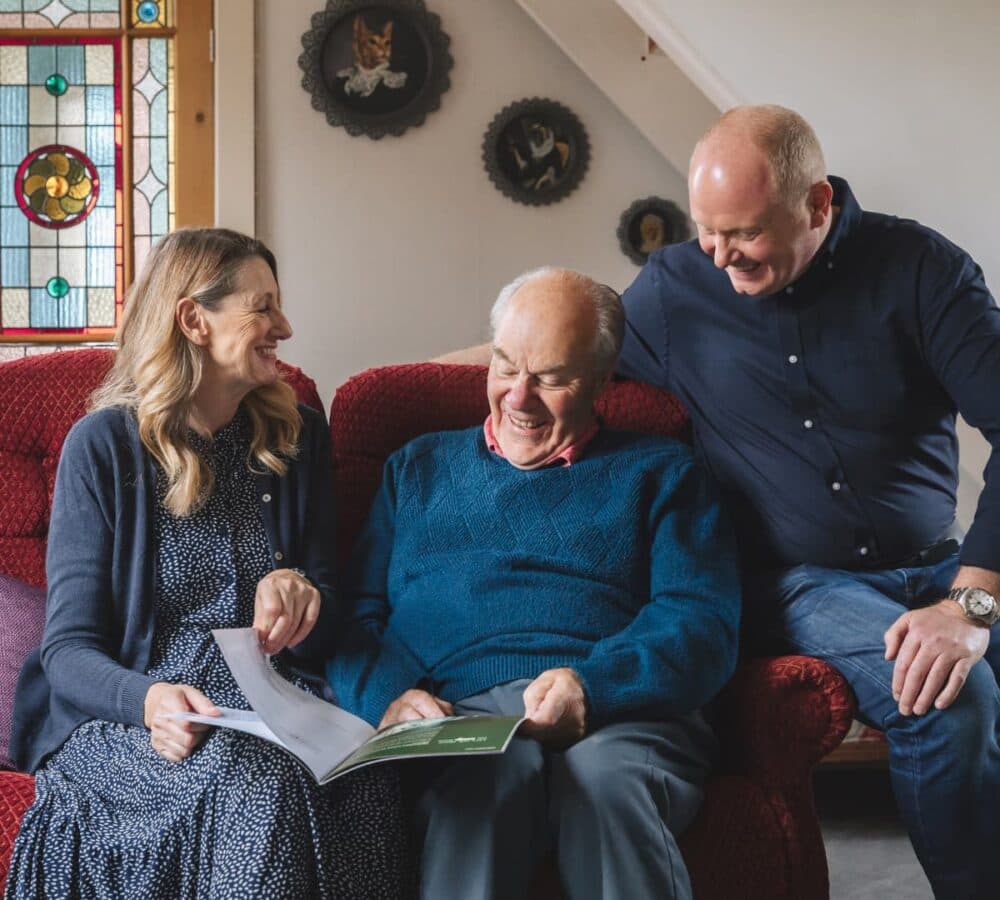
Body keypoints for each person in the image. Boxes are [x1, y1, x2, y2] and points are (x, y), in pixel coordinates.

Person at [615, 105, 1000, 899]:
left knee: (959, 665)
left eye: (746, 234)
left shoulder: (922, 270)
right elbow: (558, 346)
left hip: (943, 567)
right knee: (948, 699)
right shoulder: (675, 290)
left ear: (818, 204)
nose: (719, 256)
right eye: (705, 230)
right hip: (798, 582)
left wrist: (972, 604)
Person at [5, 228, 407, 899]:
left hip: (276, 706)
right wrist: (150, 701)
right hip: (140, 717)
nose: (284, 325)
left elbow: (331, 606)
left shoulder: (296, 436)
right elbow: (68, 652)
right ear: (194, 319)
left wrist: (305, 595)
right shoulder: (103, 447)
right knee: (258, 782)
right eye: (263, 307)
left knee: (369, 780)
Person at [328, 267, 741, 900]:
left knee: (605, 780)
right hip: (456, 711)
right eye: (505, 366)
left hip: (622, 711)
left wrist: (595, 685)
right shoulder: (416, 468)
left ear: (603, 382)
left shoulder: (664, 475)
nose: (518, 397)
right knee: (487, 777)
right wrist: (388, 695)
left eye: (550, 378)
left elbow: (700, 622)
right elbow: (354, 616)